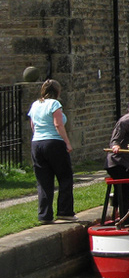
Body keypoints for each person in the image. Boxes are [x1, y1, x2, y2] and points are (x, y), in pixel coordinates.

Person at [27, 79, 74, 224]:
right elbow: (58, 124)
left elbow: (33, 126)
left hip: (37, 144)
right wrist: (67, 142)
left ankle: (44, 215)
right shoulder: (55, 104)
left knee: (43, 181)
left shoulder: (35, 105)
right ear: (57, 91)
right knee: (65, 177)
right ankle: (65, 211)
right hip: (54, 143)